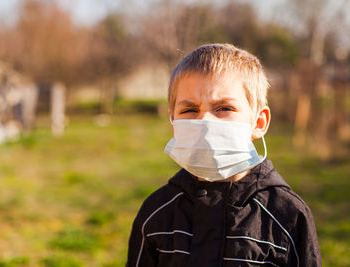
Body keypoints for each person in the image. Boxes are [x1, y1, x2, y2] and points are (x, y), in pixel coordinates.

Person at [127, 43, 321, 267]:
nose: (205, 122)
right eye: (189, 110)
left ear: (259, 122)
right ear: (174, 124)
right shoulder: (157, 213)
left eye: (224, 108)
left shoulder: (288, 216)